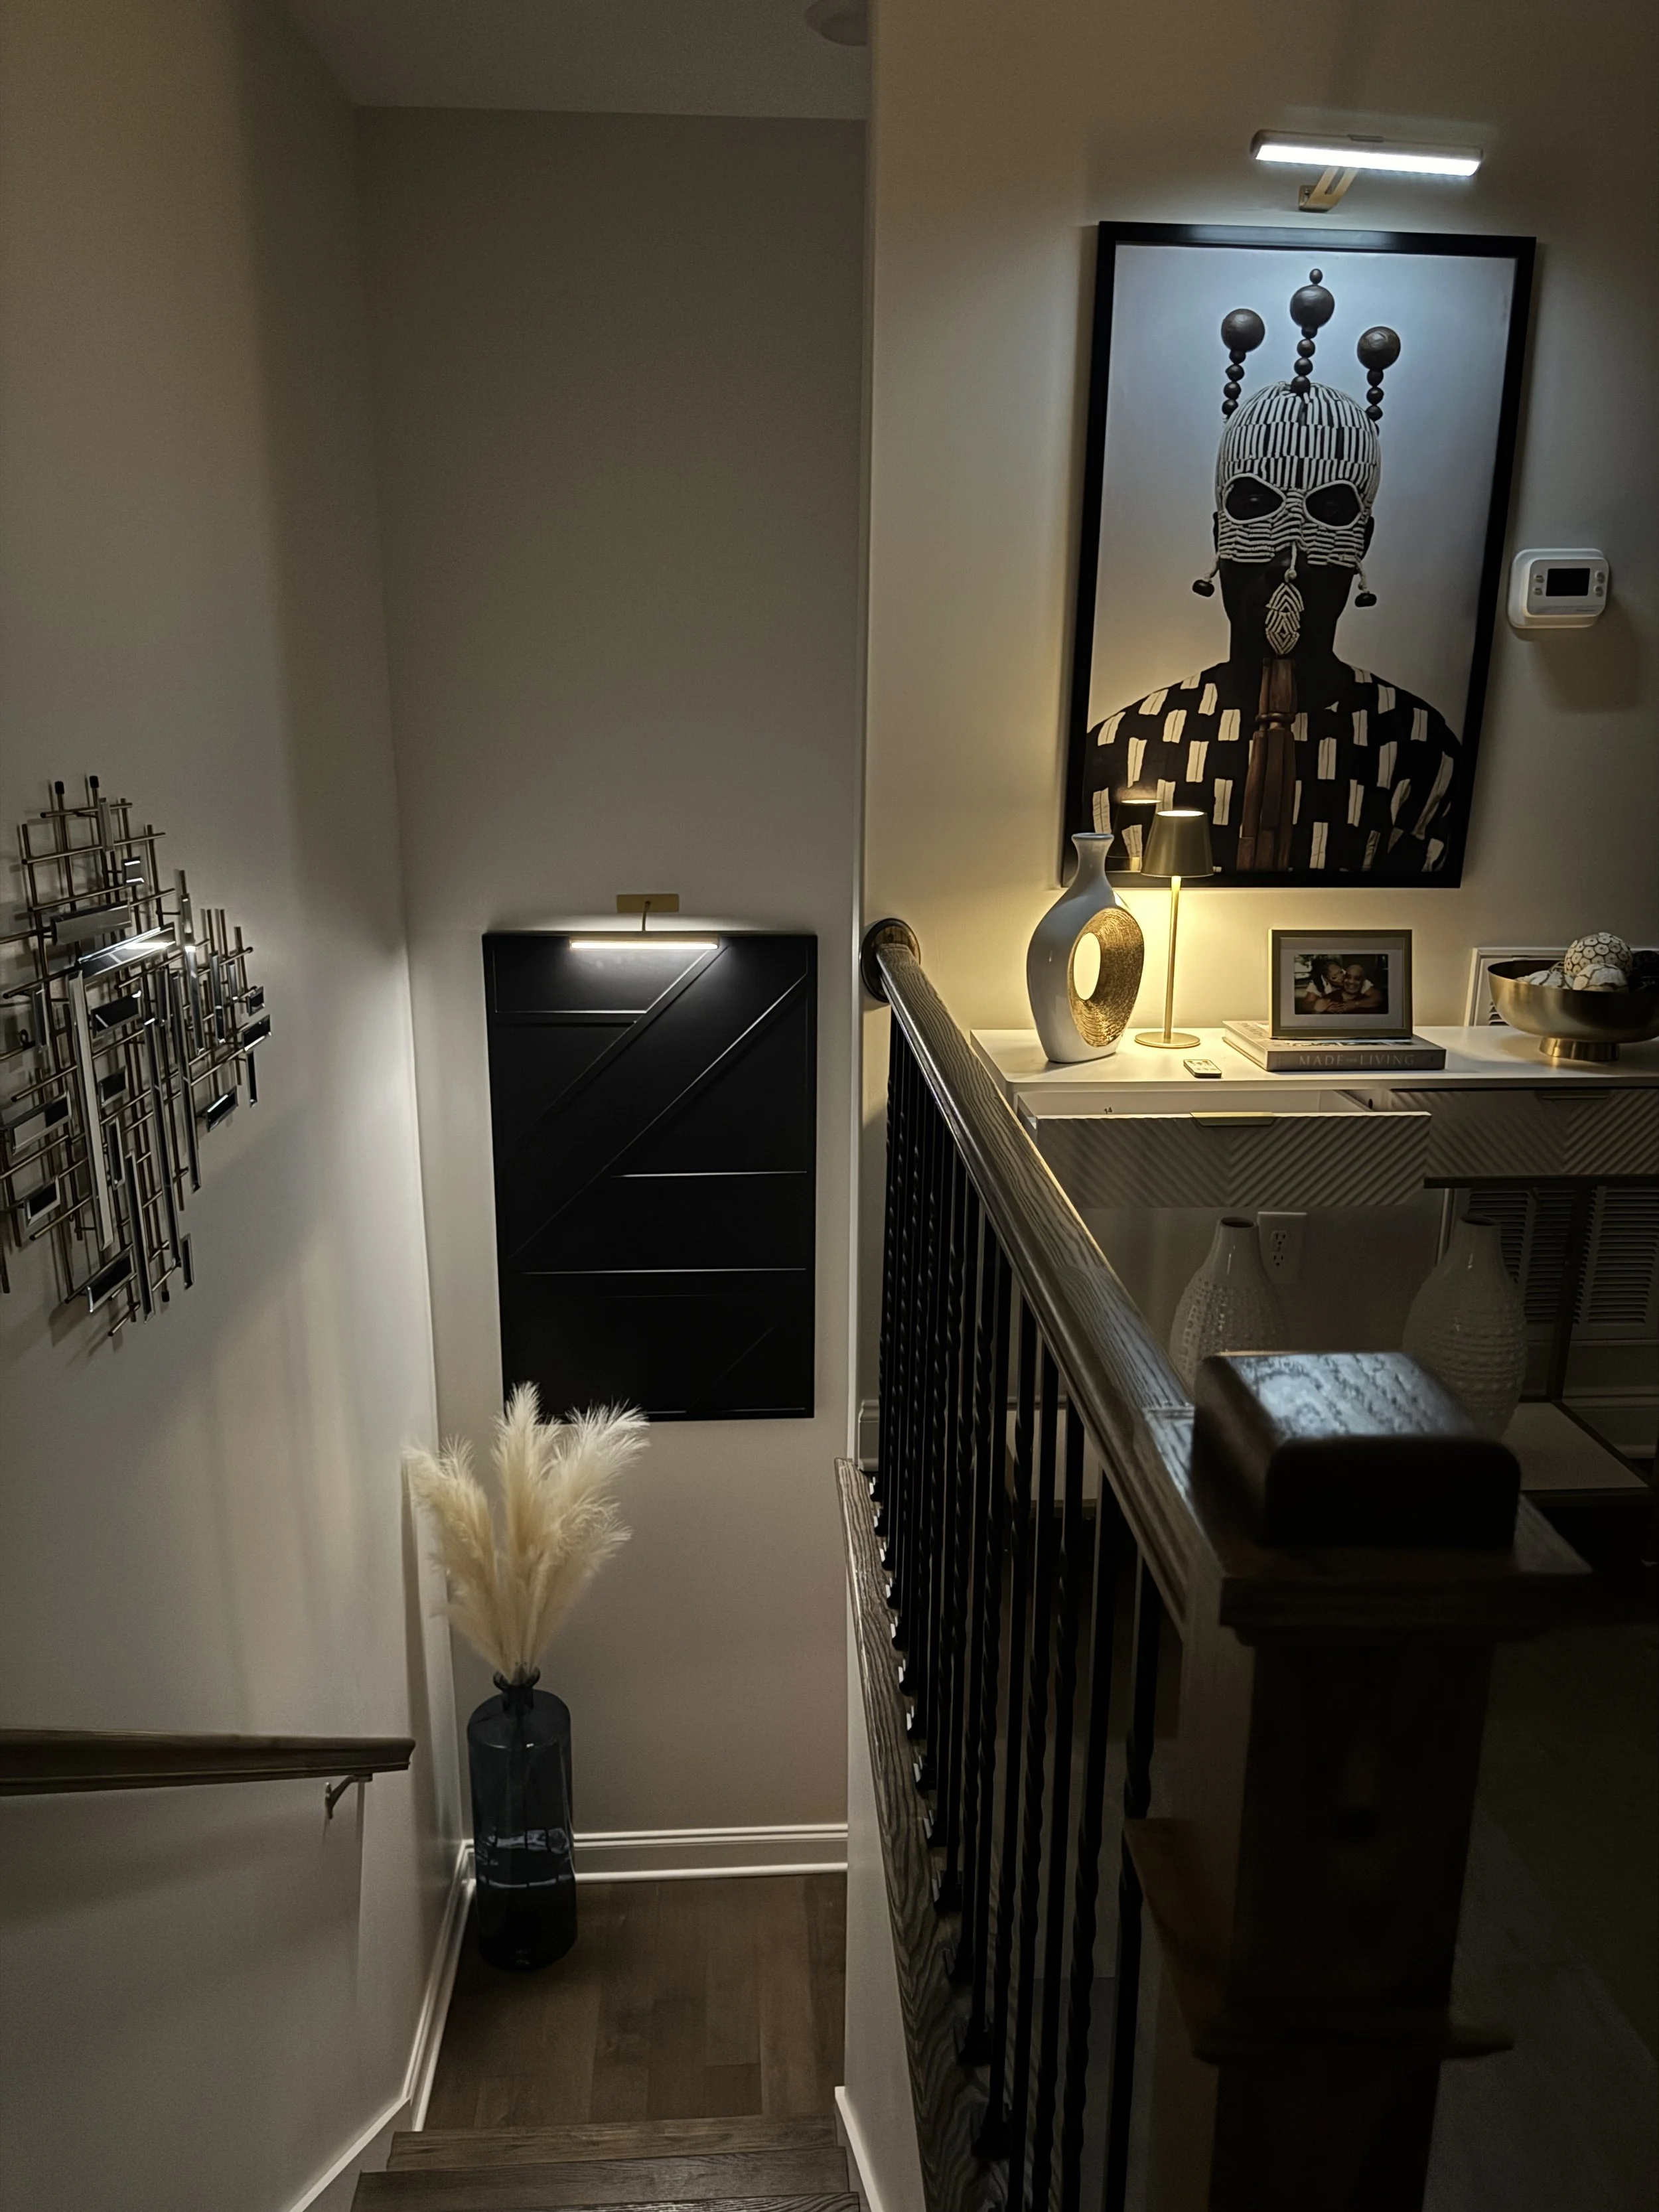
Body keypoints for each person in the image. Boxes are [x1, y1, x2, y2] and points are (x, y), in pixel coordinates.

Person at [1083, 271, 1463, 880]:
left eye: (1329, 514)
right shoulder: (1121, 748)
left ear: (1361, 541)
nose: (1289, 559)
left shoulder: (1417, 751)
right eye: (1255, 508)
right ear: (1218, 537)